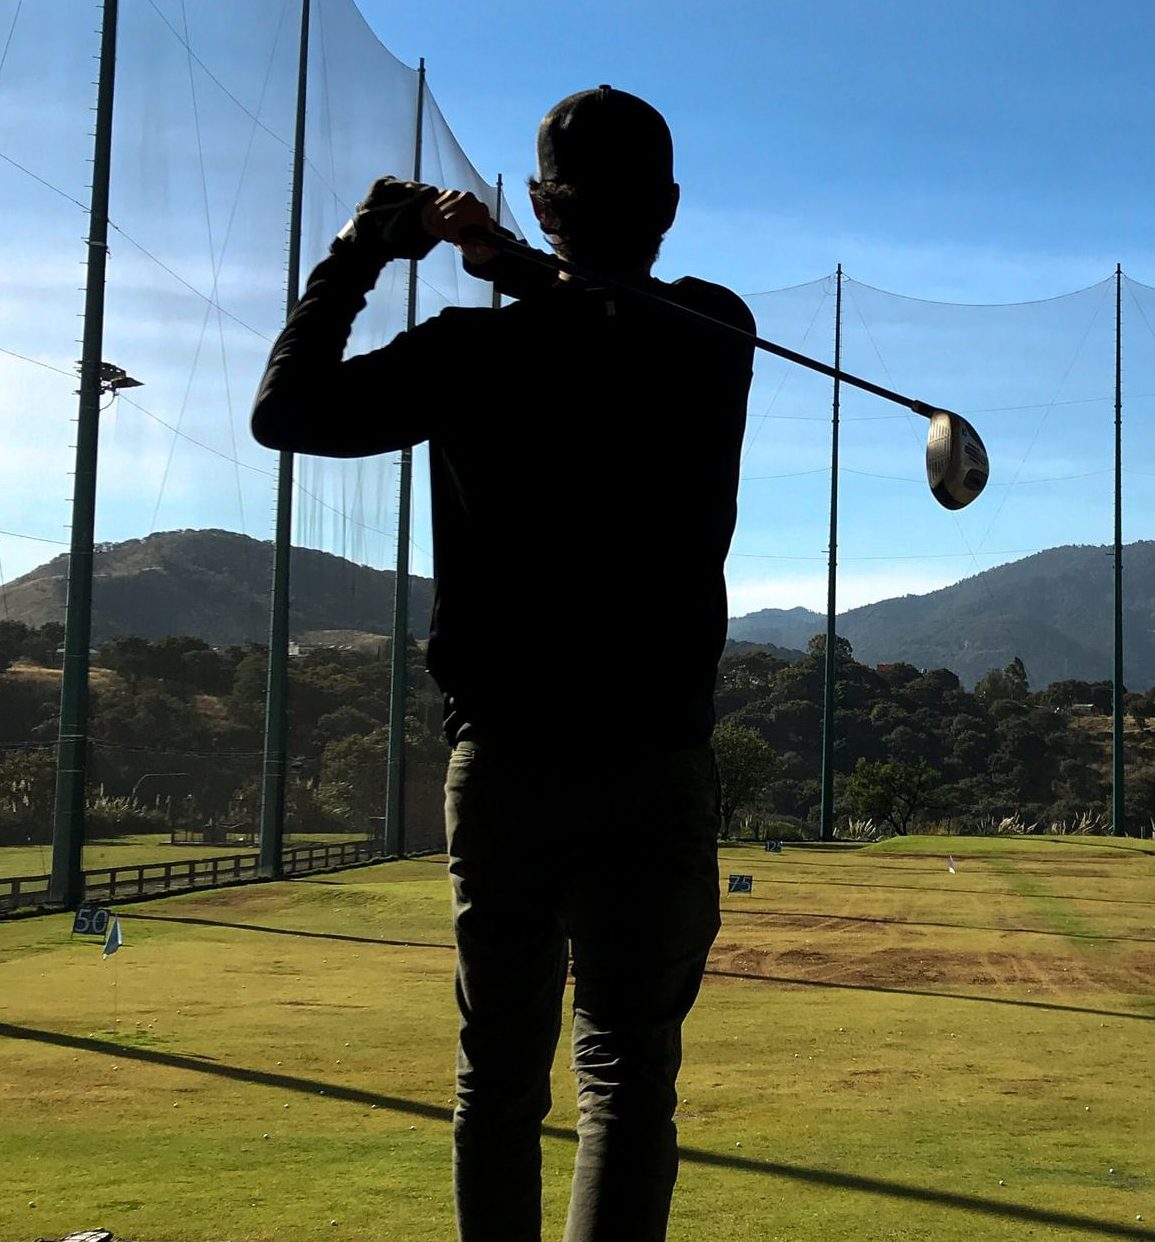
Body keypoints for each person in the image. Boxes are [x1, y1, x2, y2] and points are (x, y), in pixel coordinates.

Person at [250, 86, 754, 1242]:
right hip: (657, 763)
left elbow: (288, 410)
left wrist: (360, 253)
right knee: (627, 1079)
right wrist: (511, 257)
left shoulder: (468, 351)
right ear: (670, 205)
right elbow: (609, 323)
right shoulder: (714, 335)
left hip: (510, 768)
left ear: (541, 199)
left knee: (500, 1088)